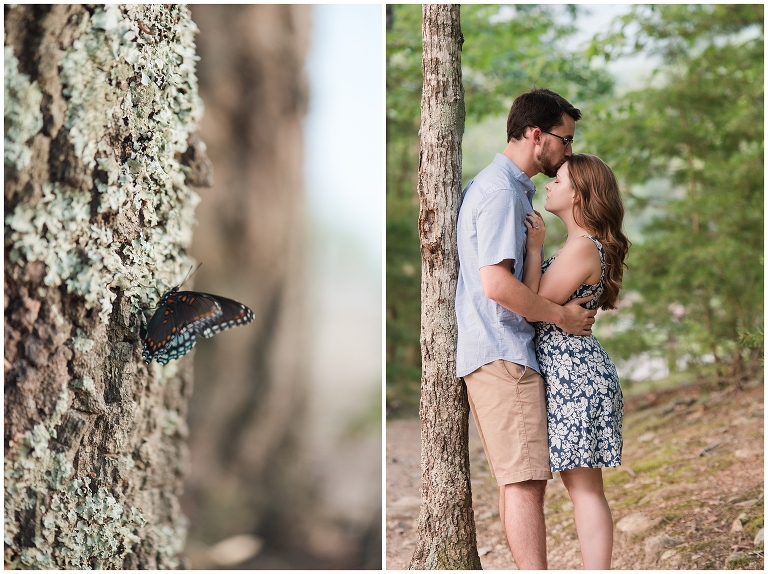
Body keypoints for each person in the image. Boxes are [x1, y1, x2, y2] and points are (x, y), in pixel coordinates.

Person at [456, 88, 595, 569]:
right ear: (537, 136)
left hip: (507, 349)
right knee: (525, 482)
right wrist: (562, 316)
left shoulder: (510, 189)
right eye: (565, 139)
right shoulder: (499, 193)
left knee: (524, 479)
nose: (568, 151)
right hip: (502, 349)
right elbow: (496, 284)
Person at [522, 154, 630, 569]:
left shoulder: (583, 246)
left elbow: (533, 304)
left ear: (579, 194)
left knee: (584, 490)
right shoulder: (581, 245)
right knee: (583, 488)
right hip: (575, 372)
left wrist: (534, 249)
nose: (549, 184)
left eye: (559, 180)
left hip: (575, 376)